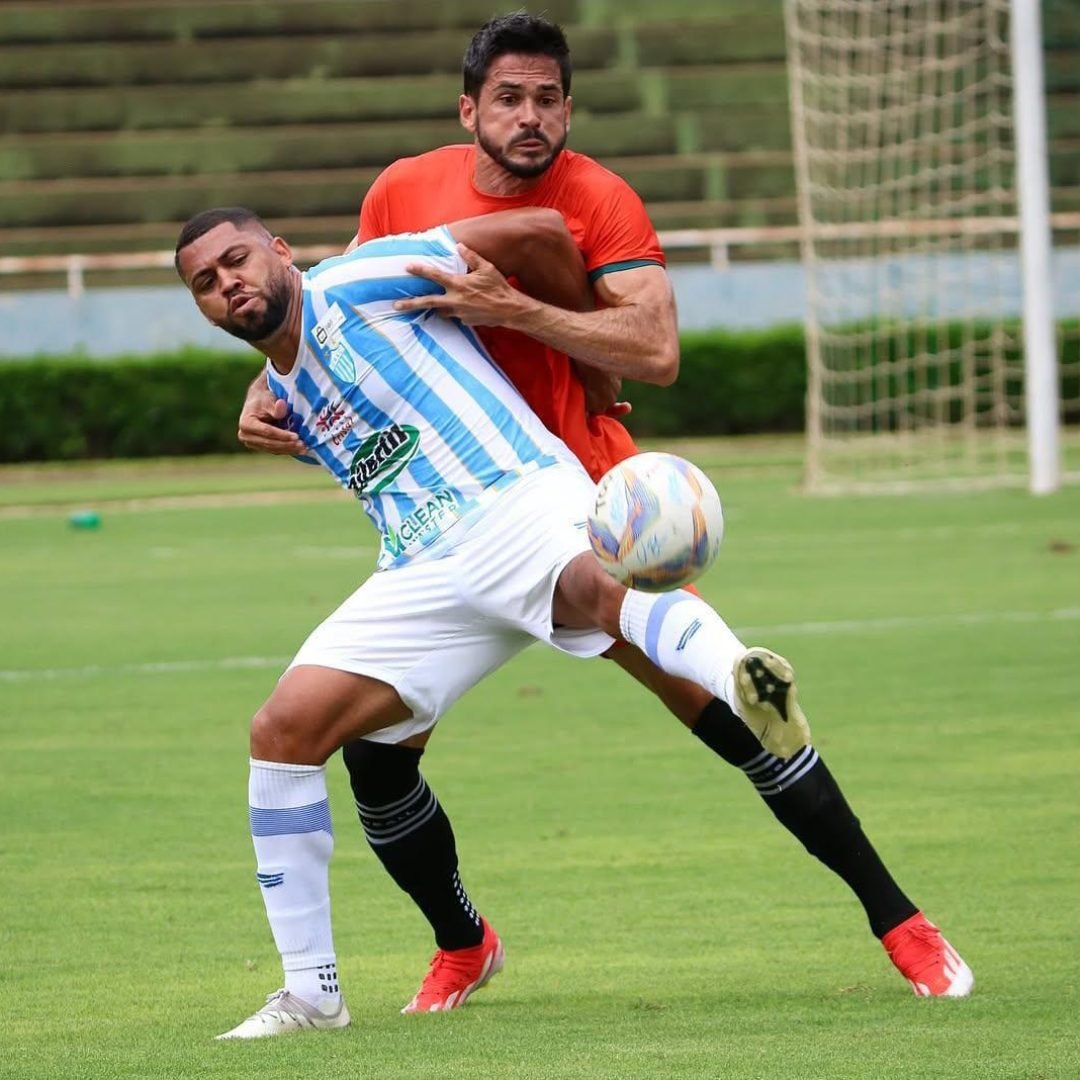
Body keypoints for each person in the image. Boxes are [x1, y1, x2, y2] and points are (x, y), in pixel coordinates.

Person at [235, 13, 973, 1007]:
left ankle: (903, 924)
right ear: (469, 108)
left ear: (570, 109)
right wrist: (275, 383)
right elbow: (339, 314)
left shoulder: (598, 198)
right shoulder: (404, 189)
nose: (531, 116)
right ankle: (464, 944)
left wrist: (523, 312)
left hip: (577, 488)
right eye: (510, 97)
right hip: (448, 521)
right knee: (374, 758)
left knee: (726, 720)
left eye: (548, 99)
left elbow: (655, 353)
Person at [176, 204, 819, 1038]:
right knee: (282, 731)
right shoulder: (285, 391)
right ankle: (312, 994)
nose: (228, 282)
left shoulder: (363, 279)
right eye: (206, 282)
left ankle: (742, 675)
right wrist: (265, 402)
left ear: (281, 252)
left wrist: (589, 360)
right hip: (419, 569)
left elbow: (543, 232)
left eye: (237, 260)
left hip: (512, 499)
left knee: (597, 590)